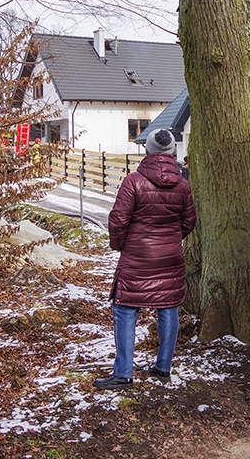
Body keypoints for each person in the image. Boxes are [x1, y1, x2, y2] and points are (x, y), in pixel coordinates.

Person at [93, 129, 196, 390]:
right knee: (168, 306)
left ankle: (124, 372)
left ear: (147, 150)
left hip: (137, 256)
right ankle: (163, 367)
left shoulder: (133, 181)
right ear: (172, 152)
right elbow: (189, 222)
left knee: (125, 308)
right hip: (170, 256)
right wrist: (171, 239)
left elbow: (118, 220)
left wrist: (120, 245)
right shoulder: (183, 185)